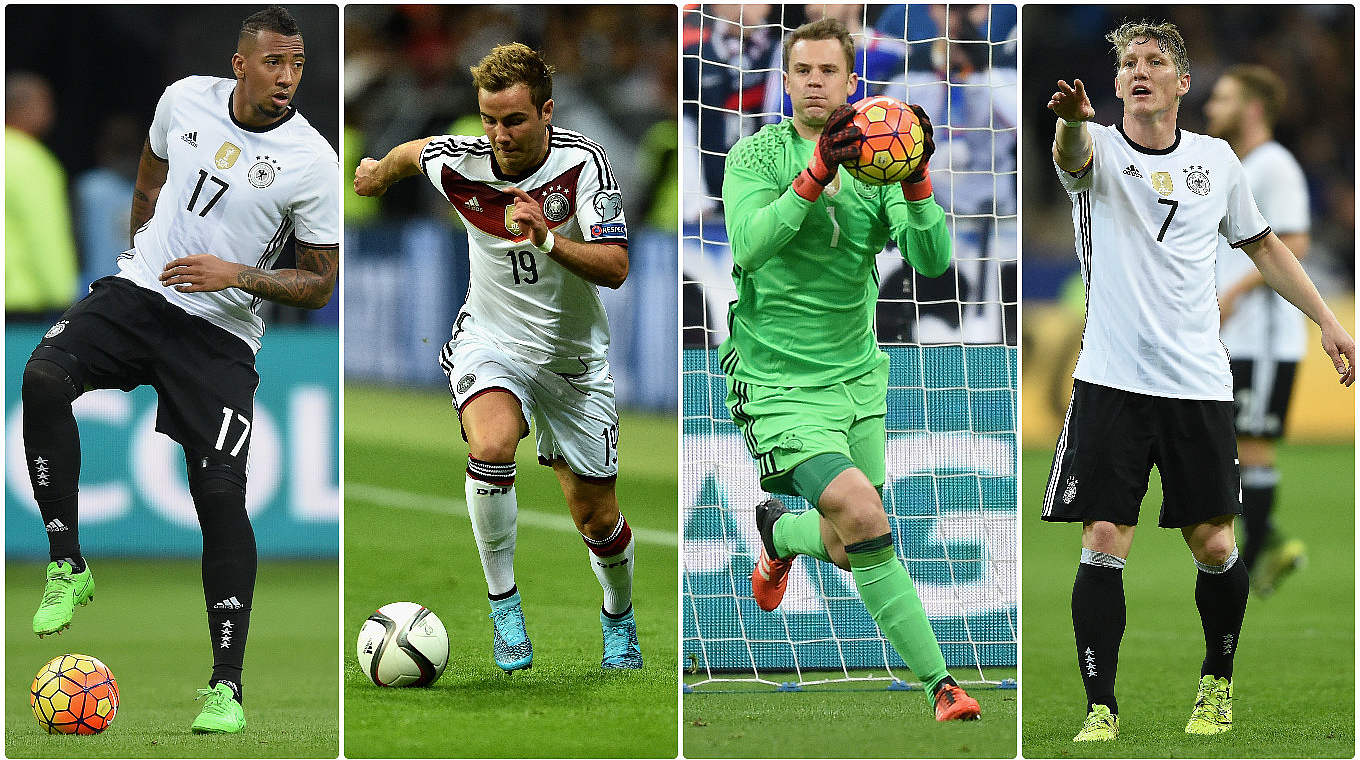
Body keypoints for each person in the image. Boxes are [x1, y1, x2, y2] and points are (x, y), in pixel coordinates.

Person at [21, 5, 339, 734]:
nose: (287, 78)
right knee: (42, 377)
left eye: (296, 66)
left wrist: (236, 274)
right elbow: (150, 174)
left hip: (220, 336)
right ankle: (68, 564)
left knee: (221, 498)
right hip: (140, 296)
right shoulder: (182, 99)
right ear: (240, 64)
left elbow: (319, 283)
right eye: (273, 63)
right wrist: (141, 258)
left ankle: (225, 688)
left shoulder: (312, 161)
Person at [1043, 20, 1354, 742]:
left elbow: (1265, 246)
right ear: (1116, 85)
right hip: (1112, 381)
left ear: (1184, 83)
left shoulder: (1217, 161)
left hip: (1199, 385)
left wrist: (1327, 322)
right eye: (1128, 63)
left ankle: (1217, 686)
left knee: (1214, 544)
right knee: (1102, 536)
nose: (1140, 70)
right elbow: (1072, 154)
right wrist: (1068, 125)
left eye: (1155, 61)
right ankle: (1102, 706)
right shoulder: (1097, 148)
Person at [719, 17, 980, 721]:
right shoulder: (755, 155)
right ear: (784, 78)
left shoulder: (881, 161)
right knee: (865, 515)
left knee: (842, 542)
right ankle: (942, 685)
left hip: (858, 377)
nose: (814, 81)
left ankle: (781, 535)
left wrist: (919, 176)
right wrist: (815, 172)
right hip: (774, 378)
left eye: (827, 71)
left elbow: (932, 262)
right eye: (801, 70)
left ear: (851, 81)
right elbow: (748, 246)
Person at [353, 42, 642, 672]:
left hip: (574, 362)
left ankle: (619, 615)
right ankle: (504, 607)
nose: (498, 133)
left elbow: (617, 266)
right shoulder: (462, 161)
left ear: (545, 112)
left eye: (513, 120)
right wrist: (377, 173)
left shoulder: (582, 164)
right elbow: (412, 154)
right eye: (488, 118)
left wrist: (548, 237)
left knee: (597, 518)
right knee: (490, 448)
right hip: (490, 340)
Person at [1205, 65, 1311, 596]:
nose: (1209, 107)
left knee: (1254, 445)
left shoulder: (1275, 166)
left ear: (1250, 108)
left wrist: (1233, 294)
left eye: (1222, 98)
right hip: (1236, 337)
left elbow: (1295, 241)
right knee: (1232, 444)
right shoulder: (1238, 165)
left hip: (1266, 338)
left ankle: (1255, 553)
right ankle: (1272, 543)